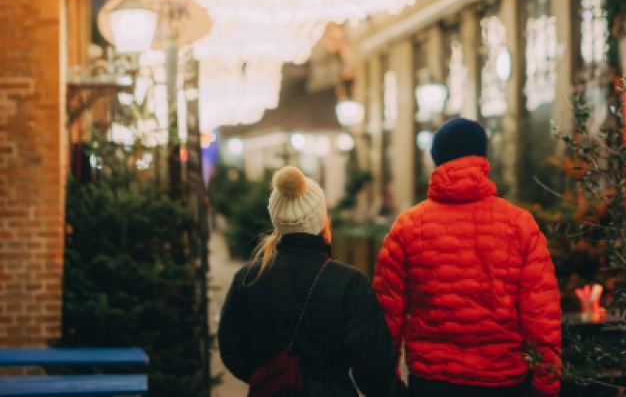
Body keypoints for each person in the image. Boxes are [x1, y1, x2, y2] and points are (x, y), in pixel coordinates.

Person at [374, 118, 562, 397]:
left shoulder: (407, 227)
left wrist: (387, 382)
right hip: (502, 382)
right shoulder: (519, 224)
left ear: (436, 159)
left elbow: (387, 316)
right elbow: (541, 314)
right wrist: (546, 384)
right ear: (483, 157)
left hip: (432, 381)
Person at [219, 166, 398, 397]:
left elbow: (232, 348)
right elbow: (374, 367)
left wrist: (270, 376)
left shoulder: (248, 278)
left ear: (277, 220)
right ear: (321, 220)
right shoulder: (350, 283)